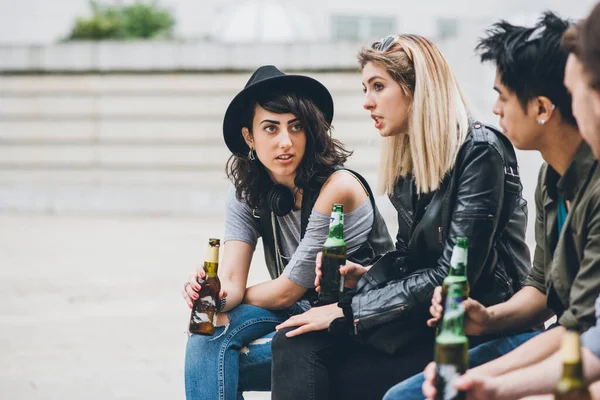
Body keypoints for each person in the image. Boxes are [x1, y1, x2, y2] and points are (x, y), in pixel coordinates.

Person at [270, 34, 530, 400]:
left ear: (417, 89)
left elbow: (455, 274)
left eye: (378, 86)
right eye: (365, 88)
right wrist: (367, 276)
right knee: (294, 343)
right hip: (424, 320)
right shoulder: (412, 161)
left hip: (478, 326)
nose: (367, 102)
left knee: (337, 372)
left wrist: (350, 311)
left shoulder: (480, 151)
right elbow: (410, 256)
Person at [396, 11, 600, 400]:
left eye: (503, 97)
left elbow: (581, 330)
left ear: (543, 108)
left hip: (571, 345)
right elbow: (542, 287)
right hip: (562, 340)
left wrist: (489, 381)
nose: (495, 109)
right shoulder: (551, 178)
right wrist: (487, 319)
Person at [182, 65, 394, 400]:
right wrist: (211, 295)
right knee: (205, 329)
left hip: (352, 317)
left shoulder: (338, 187)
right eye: (270, 128)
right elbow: (234, 283)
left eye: (296, 127)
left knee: (217, 359)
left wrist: (226, 297)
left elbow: (285, 293)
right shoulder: (245, 192)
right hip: (299, 311)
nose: (285, 141)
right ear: (249, 137)